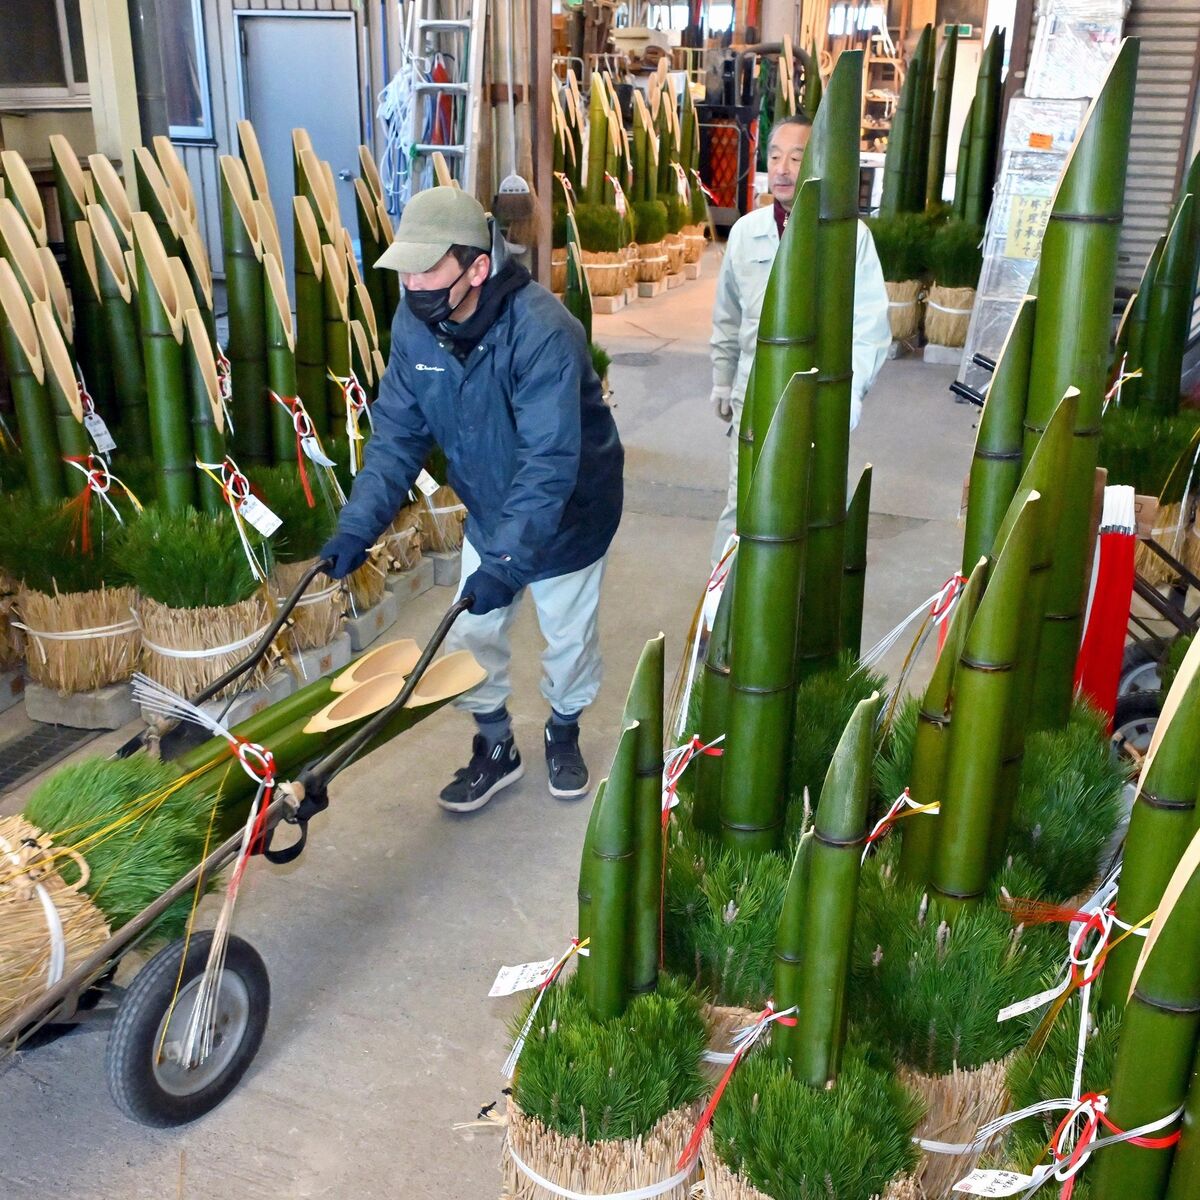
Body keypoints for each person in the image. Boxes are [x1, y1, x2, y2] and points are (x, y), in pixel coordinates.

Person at [319, 186, 624, 814]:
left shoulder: (543, 333)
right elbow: (398, 436)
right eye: (405, 267)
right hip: (489, 508)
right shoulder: (416, 324)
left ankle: (562, 729)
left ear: (478, 268)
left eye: (428, 268)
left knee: (567, 640)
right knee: (470, 635)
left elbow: (548, 466)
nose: (411, 282)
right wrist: (358, 526)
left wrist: (508, 566)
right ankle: (495, 746)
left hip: (568, 514)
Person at [709, 114, 891, 563]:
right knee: (741, 508)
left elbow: (870, 328)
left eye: (796, 156)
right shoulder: (746, 234)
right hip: (753, 397)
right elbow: (728, 318)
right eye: (775, 156)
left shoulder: (848, 236)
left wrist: (849, 399)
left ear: (815, 163)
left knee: (809, 510)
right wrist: (721, 380)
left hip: (818, 403)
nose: (784, 168)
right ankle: (718, 619)